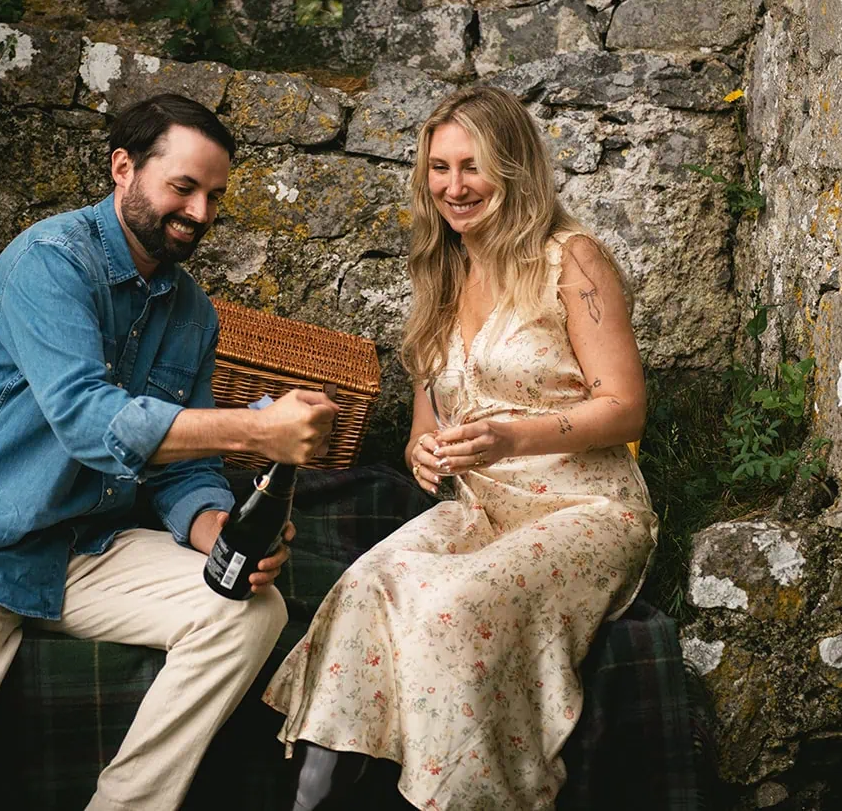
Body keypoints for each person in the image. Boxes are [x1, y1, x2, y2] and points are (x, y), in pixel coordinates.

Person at [0, 93, 339, 811]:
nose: (201, 213)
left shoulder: (193, 314)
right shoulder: (47, 263)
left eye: (214, 196)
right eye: (183, 187)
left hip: (85, 546)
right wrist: (256, 430)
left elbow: (185, 470)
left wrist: (219, 531)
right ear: (123, 168)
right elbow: (92, 421)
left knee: (249, 608)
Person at [263, 85, 657, 811]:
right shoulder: (441, 274)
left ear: (514, 168)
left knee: (453, 604)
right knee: (365, 587)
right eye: (439, 169)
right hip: (479, 505)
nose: (454, 187)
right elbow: (426, 421)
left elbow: (625, 406)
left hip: (585, 507)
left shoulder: (571, 261)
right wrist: (422, 454)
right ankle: (310, 801)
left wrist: (514, 435)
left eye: (472, 166)